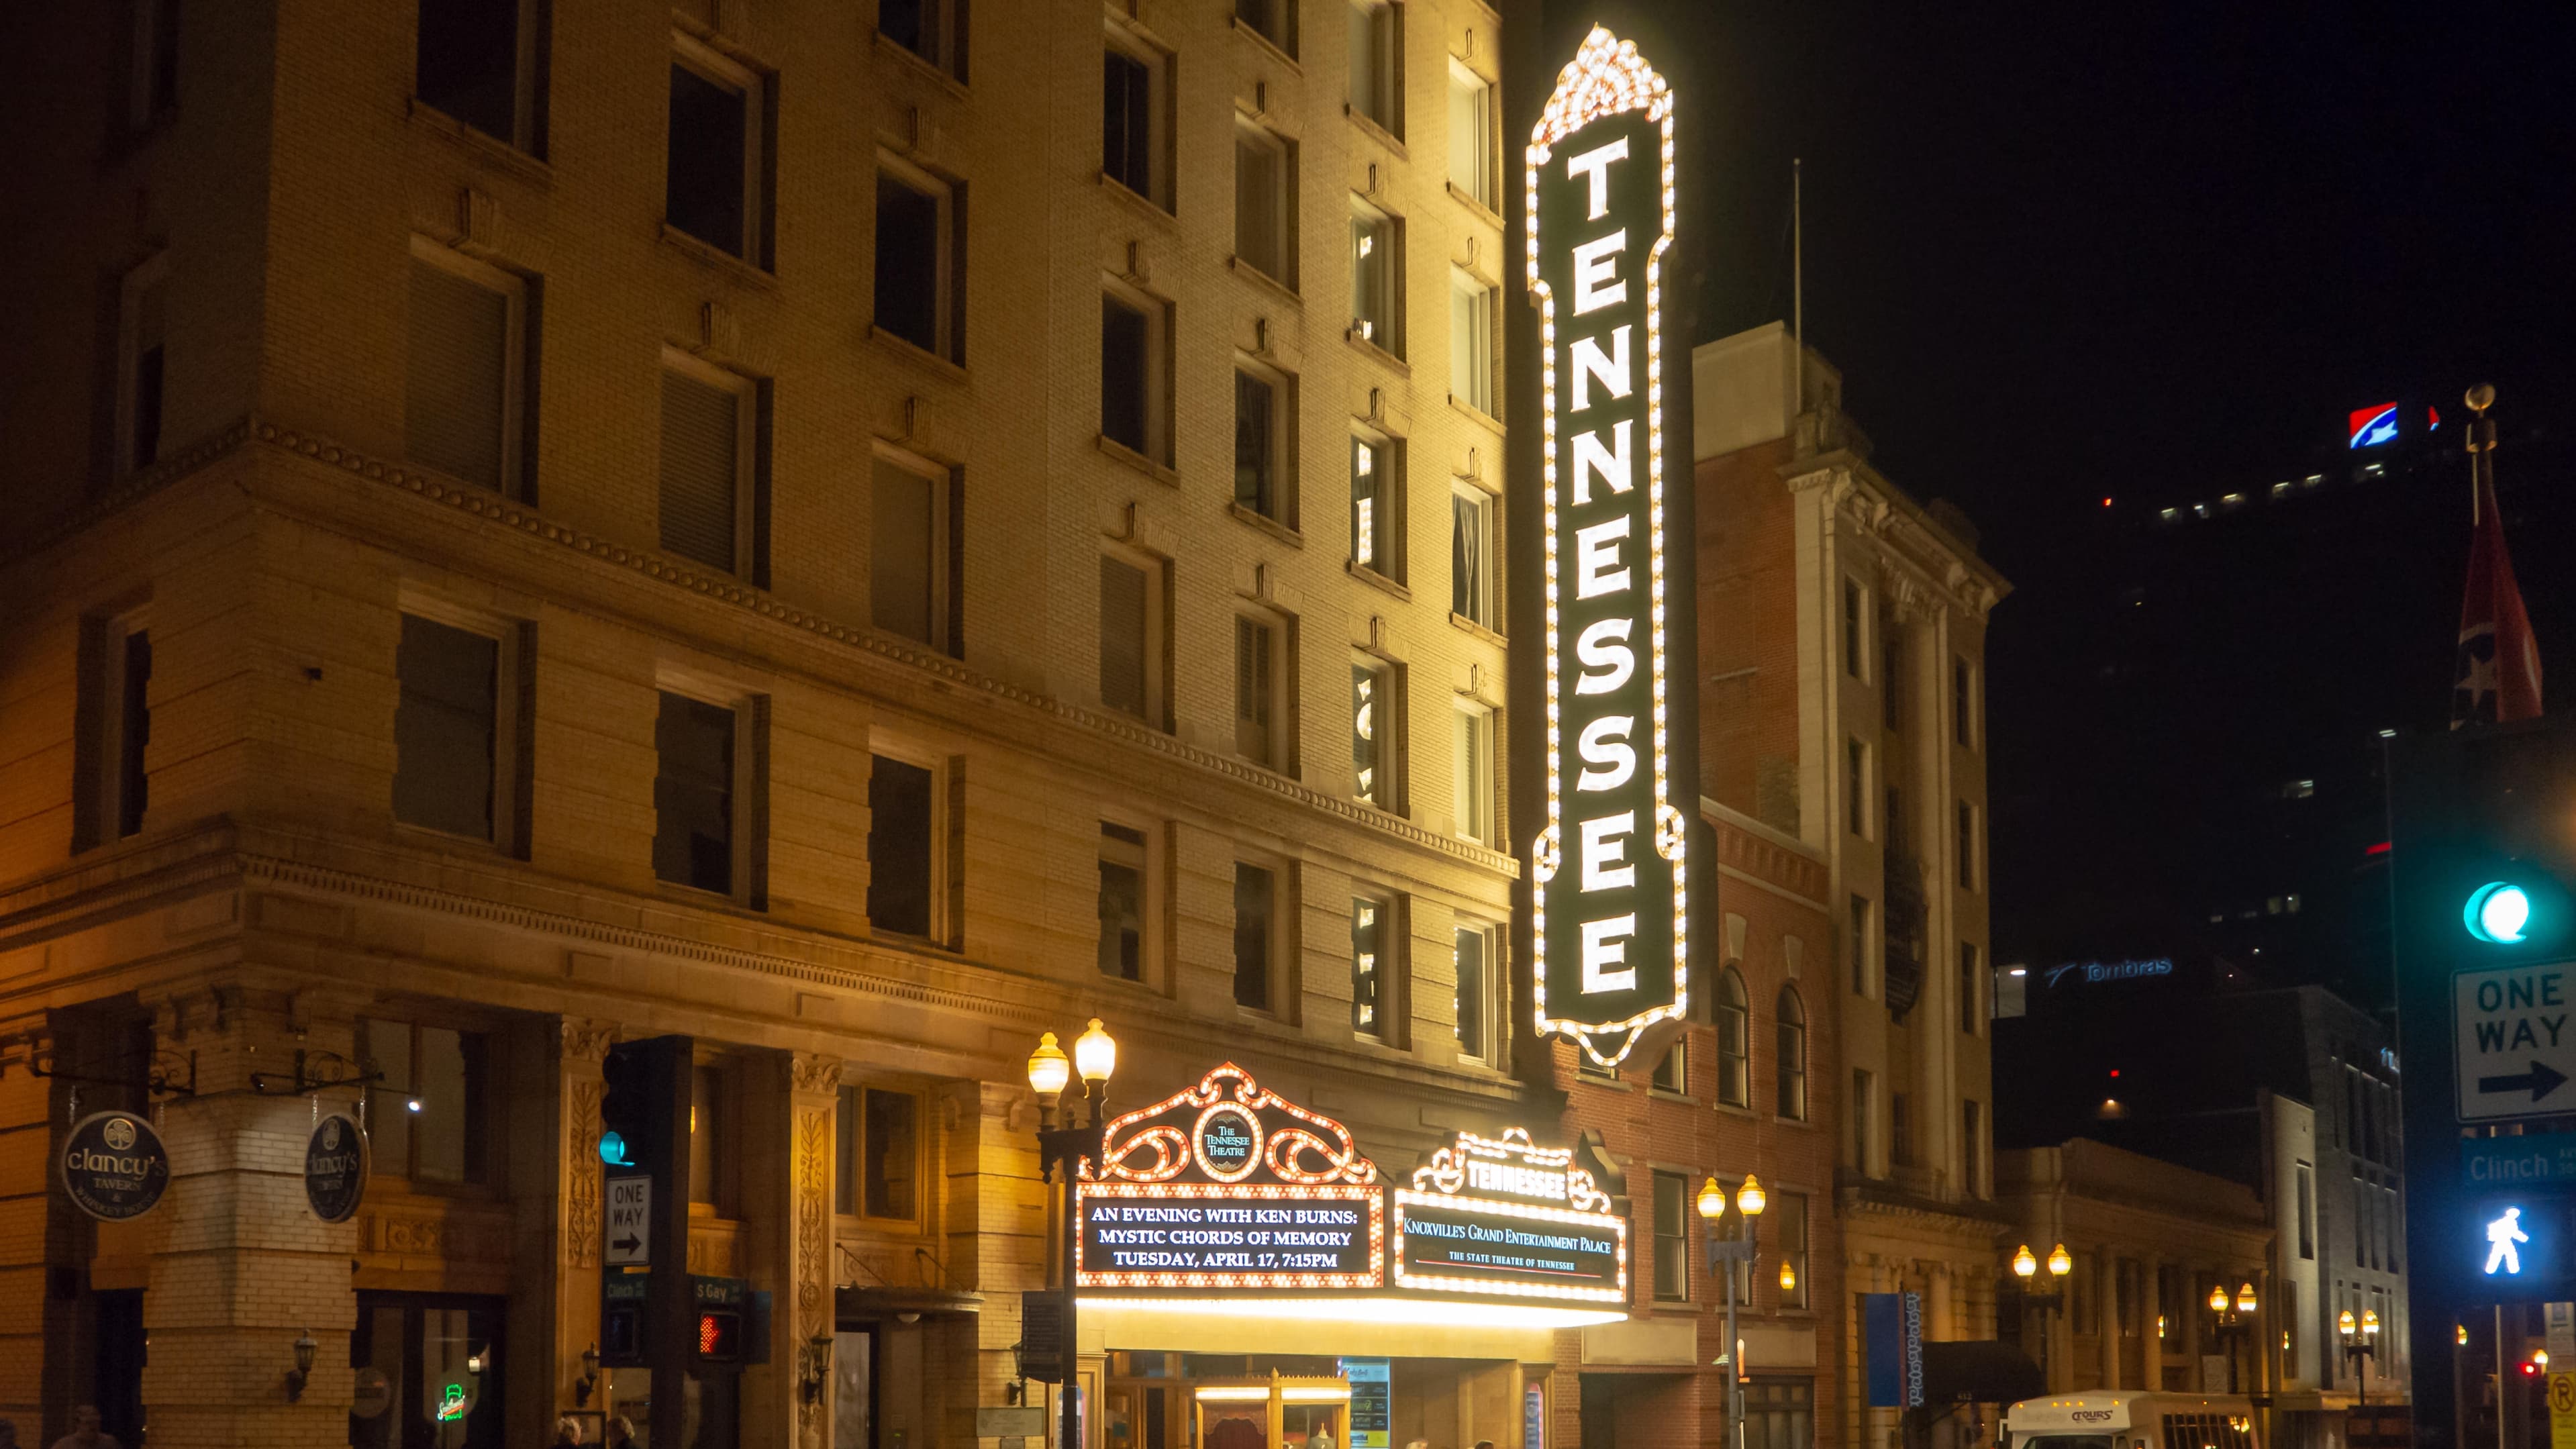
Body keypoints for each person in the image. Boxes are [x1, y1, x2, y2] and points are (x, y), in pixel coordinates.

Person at [50, 1406, 119, 1449]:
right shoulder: (64, 1445)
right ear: (78, 1424)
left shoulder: (109, 1443)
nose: (93, 1427)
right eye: (88, 1423)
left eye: (95, 1422)